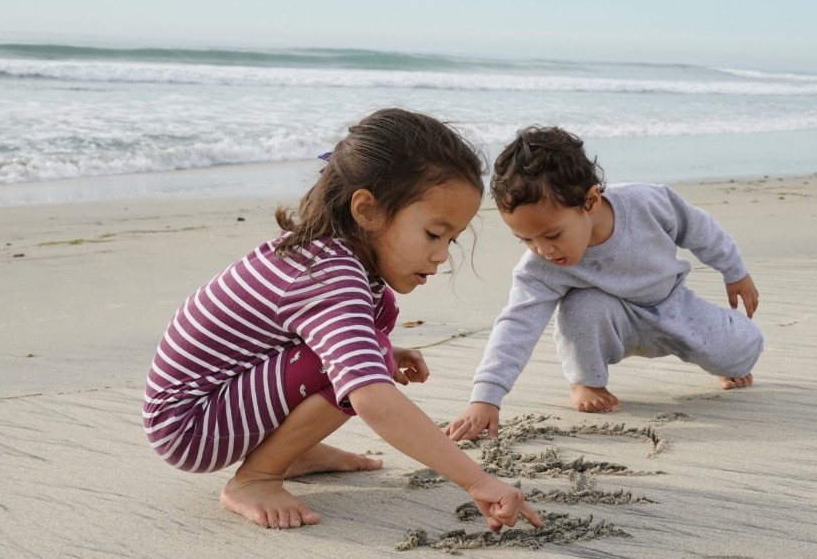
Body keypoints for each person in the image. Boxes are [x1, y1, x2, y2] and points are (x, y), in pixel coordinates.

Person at [142, 108, 541, 532]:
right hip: (192, 425)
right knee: (372, 360)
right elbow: (372, 398)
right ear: (367, 211)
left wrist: (375, 350)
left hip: (224, 401)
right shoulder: (329, 275)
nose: (442, 255)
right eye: (432, 234)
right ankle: (256, 478)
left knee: (379, 321)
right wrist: (477, 481)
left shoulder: (335, 258)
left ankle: (292, 451)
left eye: (451, 240)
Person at [447, 126, 763, 442]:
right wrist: (486, 396)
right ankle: (587, 381)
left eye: (552, 235)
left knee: (741, 353)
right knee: (582, 306)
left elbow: (699, 229)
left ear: (591, 201)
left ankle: (727, 351)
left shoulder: (647, 202)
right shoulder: (541, 268)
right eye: (526, 240)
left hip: (672, 305)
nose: (543, 250)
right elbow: (517, 324)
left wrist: (734, 271)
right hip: (611, 320)